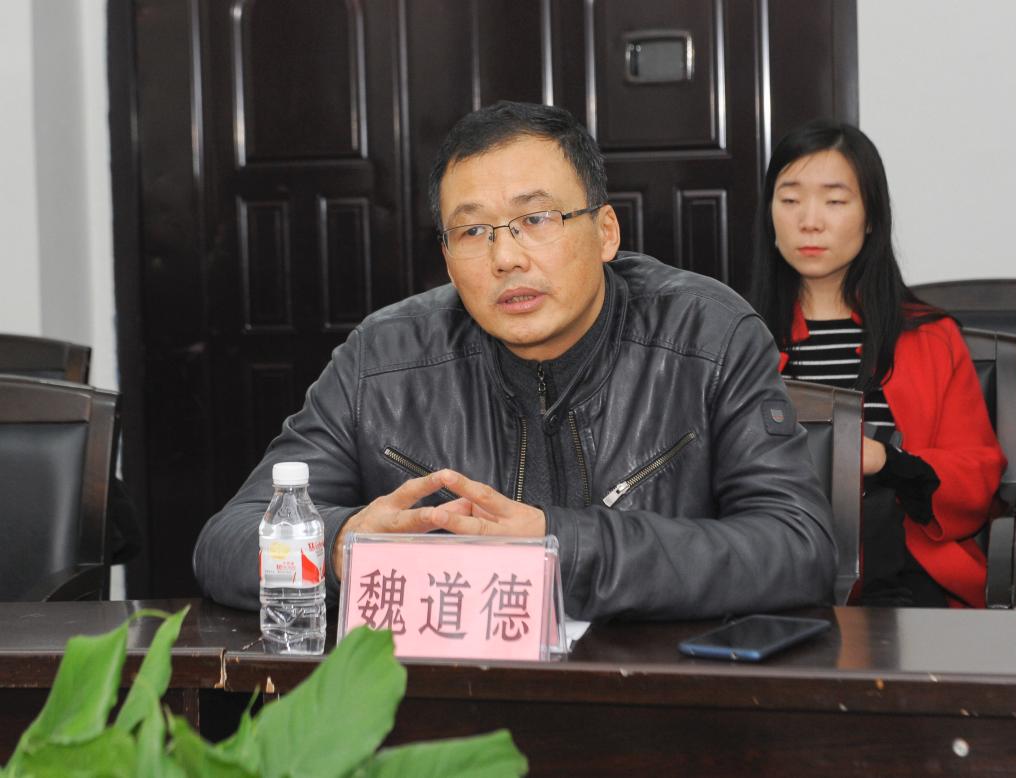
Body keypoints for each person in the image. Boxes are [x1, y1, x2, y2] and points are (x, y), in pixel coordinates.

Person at [194, 101, 836, 620]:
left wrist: (563, 548)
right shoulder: (382, 360)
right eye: (473, 231)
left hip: (654, 700)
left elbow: (797, 546)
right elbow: (229, 541)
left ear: (605, 232)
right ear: (448, 260)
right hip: (450, 709)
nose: (506, 258)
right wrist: (340, 549)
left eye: (537, 218)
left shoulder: (709, 336)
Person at [749, 119, 1006, 608]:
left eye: (834, 201)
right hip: (772, 576)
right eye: (790, 199)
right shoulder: (735, 337)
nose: (810, 221)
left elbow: (977, 477)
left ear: (870, 217)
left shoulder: (930, 338)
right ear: (770, 213)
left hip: (906, 580)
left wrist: (886, 460)